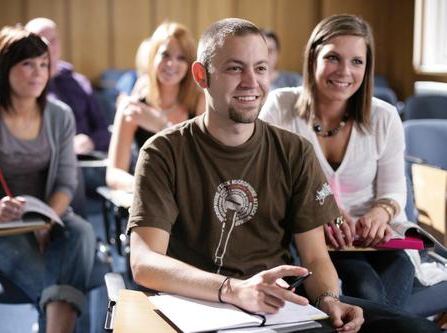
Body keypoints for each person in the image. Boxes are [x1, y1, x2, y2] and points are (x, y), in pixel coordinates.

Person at [127, 18, 440, 333]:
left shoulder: (294, 151)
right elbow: (144, 262)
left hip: (279, 308)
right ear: (201, 75)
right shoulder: (163, 152)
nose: (252, 82)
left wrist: (329, 299)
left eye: (260, 68)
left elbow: (316, 257)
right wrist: (232, 289)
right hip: (197, 309)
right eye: (235, 68)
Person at [260, 14, 415, 310]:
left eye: (357, 61)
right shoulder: (280, 107)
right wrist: (320, 208)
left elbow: (395, 191)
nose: (345, 71)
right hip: (305, 238)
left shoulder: (384, 116)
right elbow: (265, 183)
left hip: (370, 238)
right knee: (366, 284)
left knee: (400, 271)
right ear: (313, 58)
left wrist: (380, 214)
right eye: (333, 57)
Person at [0, 26, 96, 333]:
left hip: (51, 219)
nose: (38, 72)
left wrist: (45, 223)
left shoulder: (60, 115)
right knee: (60, 288)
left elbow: (67, 183)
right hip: (0, 229)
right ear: (5, 68)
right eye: (27, 63)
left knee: (81, 229)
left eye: (43, 64)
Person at [106, 21, 204, 192]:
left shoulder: (199, 101)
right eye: (165, 55)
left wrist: (161, 126)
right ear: (152, 57)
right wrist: (145, 187)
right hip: (147, 196)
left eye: (181, 58)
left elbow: (199, 164)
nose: (172, 63)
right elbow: (113, 174)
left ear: (190, 64)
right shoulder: (133, 107)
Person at [26, 17, 110, 155]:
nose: (48, 47)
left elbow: (103, 130)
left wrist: (91, 141)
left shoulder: (80, 83)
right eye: (40, 41)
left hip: (86, 161)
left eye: (53, 40)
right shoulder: (27, 86)